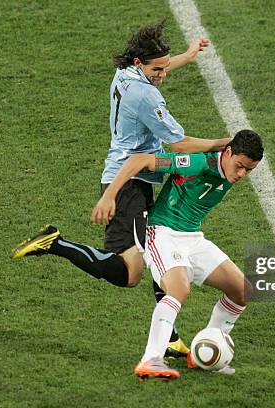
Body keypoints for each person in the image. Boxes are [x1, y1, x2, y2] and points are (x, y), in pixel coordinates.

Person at [11, 21, 230, 358]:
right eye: (157, 69)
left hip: (131, 179)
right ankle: (55, 243)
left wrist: (187, 57)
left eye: (163, 66)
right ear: (141, 64)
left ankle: (169, 337)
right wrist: (222, 144)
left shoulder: (127, 73)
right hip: (129, 181)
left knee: (155, 252)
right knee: (130, 272)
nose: (162, 73)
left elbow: (162, 64)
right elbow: (178, 143)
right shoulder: (146, 95)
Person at [92, 129, 264, 381]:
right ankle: (151, 359)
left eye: (248, 170)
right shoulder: (196, 164)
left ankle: (207, 347)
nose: (241, 175)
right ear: (227, 153)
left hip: (192, 238)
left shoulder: (229, 165)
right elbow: (139, 161)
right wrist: (109, 195)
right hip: (162, 233)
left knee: (242, 291)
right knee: (179, 289)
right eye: (239, 166)